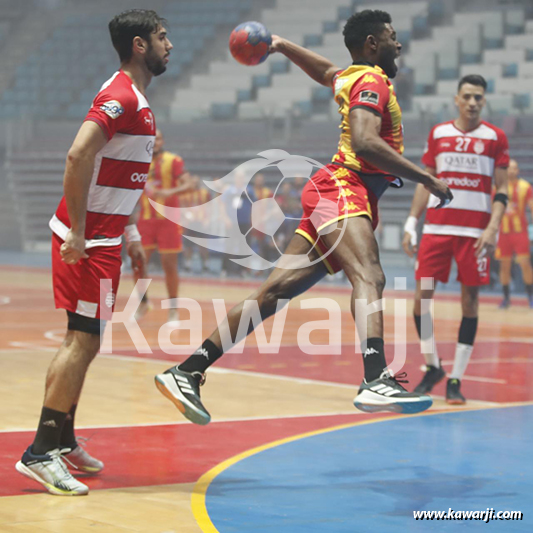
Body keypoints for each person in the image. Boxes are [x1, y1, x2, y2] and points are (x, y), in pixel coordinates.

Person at [155, 10, 452, 425]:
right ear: (372, 43)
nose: (398, 44)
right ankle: (374, 378)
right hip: (345, 187)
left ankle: (186, 371)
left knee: (273, 294)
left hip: (337, 191)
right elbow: (365, 143)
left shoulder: (351, 77)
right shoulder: (370, 82)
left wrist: (279, 44)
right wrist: (426, 177)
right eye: (391, 37)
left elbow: (327, 71)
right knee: (370, 275)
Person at [16, 10, 172, 496]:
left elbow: (115, 177)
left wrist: (129, 239)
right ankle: (40, 452)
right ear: (139, 44)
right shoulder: (119, 96)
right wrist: (79, 233)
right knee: (81, 342)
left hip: (106, 241)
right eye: (162, 37)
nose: (170, 44)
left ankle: (61, 440)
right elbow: (78, 154)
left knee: (84, 342)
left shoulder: (137, 99)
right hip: (88, 245)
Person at [402, 74, 509, 405]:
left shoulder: (495, 138)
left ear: (484, 101)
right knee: (422, 299)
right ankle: (433, 366)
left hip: (475, 234)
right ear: (456, 99)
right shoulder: (439, 134)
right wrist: (410, 222)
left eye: (479, 97)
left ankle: (456, 379)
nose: (473, 102)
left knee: (470, 302)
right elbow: (424, 181)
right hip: (437, 230)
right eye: (468, 96)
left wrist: (493, 228)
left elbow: (502, 189)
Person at [135, 129, 191, 323]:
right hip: (145, 219)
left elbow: (189, 184)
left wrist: (170, 192)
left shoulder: (173, 160)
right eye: (151, 138)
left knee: (169, 265)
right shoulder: (138, 161)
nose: (155, 141)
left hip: (168, 220)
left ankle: (173, 309)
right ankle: (143, 303)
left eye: (158, 138)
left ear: (163, 141)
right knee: (138, 263)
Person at [495, 159, 533, 308]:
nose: (512, 171)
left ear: (518, 170)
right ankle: (506, 298)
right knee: (504, 266)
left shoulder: (525, 187)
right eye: (509, 168)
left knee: (525, 264)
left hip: (520, 232)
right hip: (503, 233)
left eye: (515, 168)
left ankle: (530, 297)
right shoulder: (498, 187)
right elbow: (493, 209)